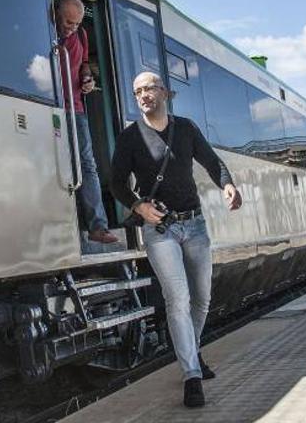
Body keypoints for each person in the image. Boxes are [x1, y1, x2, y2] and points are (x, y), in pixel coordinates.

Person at [109, 71, 242, 408]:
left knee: (202, 297)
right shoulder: (130, 137)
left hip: (194, 224)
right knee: (177, 298)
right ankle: (191, 376)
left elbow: (212, 161)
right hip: (159, 230)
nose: (143, 95)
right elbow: (116, 183)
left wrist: (226, 184)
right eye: (137, 90)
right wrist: (138, 206)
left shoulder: (186, 128)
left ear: (164, 93)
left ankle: (191, 353)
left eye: (149, 88)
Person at [54, 0, 117, 244]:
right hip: (50, 106)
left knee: (87, 165)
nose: (71, 28)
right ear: (56, 13)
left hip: (76, 108)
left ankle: (97, 226)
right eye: (68, 22)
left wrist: (88, 79)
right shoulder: (45, 32)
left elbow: (83, 65)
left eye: (77, 24)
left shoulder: (80, 35)